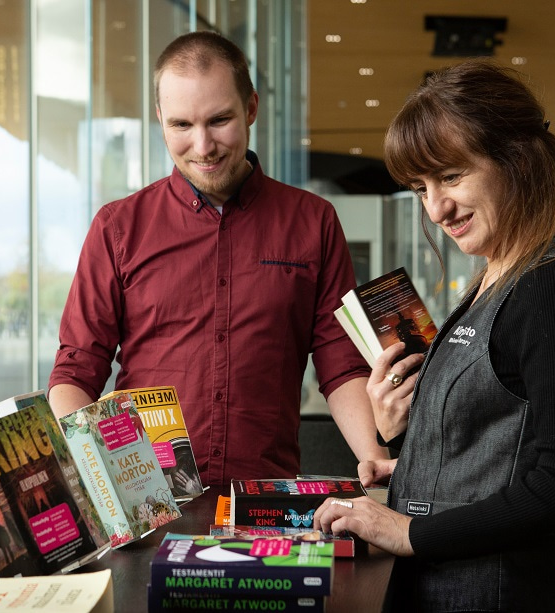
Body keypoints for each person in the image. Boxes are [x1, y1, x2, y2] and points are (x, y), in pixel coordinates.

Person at [314, 60, 555, 611]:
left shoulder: (553, 289)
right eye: (421, 187)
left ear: (518, 159)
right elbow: (502, 446)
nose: (436, 208)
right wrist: (407, 454)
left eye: (452, 176)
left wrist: (409, 532)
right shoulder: (495, 276)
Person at [47, 31, 388, 486]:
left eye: (219, 120)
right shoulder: (117, 227)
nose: (203, 147)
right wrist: (86, 475)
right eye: (181, 126)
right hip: (150, 500)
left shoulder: (314, 222)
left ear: (250, 108)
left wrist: (373, 456)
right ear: (160, 119)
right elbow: (77, 367)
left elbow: (340, 361)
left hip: (265, 500)